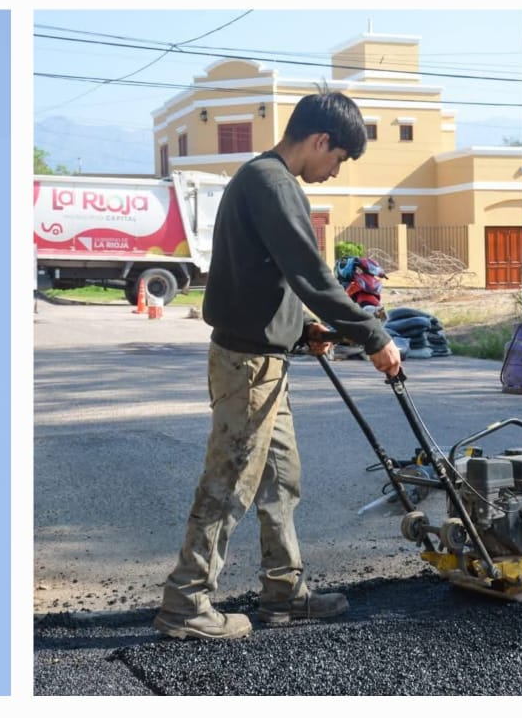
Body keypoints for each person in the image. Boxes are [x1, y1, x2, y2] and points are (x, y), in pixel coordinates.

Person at [153, 92, 405, 641]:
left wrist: (304, 329)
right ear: (319, 141)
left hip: (266, 358)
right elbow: (313, 275)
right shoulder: (272, 184)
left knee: (280, 480)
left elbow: (270, 278)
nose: (335, 171)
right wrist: (374, 336)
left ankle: (284, 594)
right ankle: (186, 601)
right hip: (248, 367)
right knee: (230, 483)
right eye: (337, 159)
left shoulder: (264, 181)